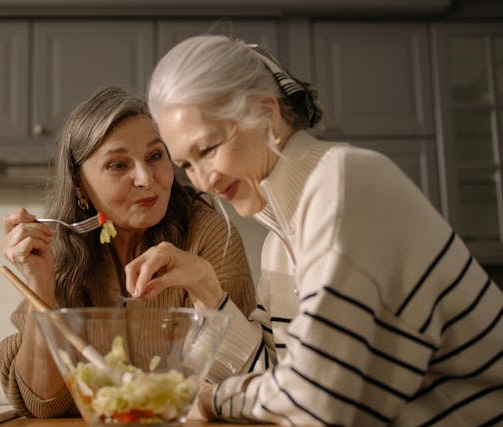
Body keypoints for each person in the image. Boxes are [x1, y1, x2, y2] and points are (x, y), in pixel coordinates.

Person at [124, 35, 503, 425]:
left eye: (207, 150)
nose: (202, 181)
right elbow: (278, 378)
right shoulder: (279, 242)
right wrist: (205, 285)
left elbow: (319, 399)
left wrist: (211, 401)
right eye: (187, 165)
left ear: (266, 114)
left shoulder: (346, 182)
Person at [0, 86, 262, 418]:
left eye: (155, 156)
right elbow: (44, 403)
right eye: (118, 165)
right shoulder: (58, 249)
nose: (145, 179)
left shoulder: (209, 235)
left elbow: (238, 378)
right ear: (80, 184)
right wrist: (40, 285)